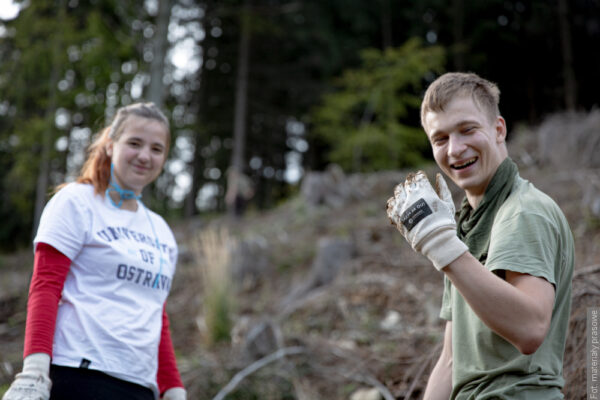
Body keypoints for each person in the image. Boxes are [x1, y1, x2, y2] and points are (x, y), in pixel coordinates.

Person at [386, 72, 574, 399]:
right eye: (440, 139)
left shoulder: (523, 212)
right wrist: (449, 245)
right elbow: (451, 360)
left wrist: (446, 251)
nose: (455, 150)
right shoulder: (462, 227)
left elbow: (530, 329)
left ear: (498, 129)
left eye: (467, 130)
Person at [3, 103, 187, 400]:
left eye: (156, 149)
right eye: (135, 143)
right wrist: (35, 368)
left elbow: (156, 314)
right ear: (111, 146)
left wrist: (173, 388)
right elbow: (46, 285)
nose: (144, 156)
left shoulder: (161, 230)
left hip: (141, 386)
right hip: (79, 376)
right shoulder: (76, 202)